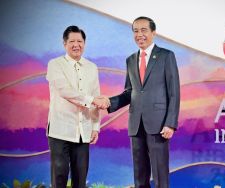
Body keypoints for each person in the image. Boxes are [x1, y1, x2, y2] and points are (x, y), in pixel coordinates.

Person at [107, 16, 180, 188]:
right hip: (135, 124)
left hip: (159, 124)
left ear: (153, 33)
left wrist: (171, 123)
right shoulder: (130, 60)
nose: (139, 34)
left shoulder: (166, 56)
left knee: (160, 174)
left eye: (144, 30)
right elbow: (130, 92)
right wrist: (109, 102)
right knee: (139, 174)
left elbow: (174, 92)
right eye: (135, 31)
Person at [46, 25, 110, 188]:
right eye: (72, 41)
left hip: (84, 131)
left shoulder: (92, 67)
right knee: (59, 176)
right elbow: (65, 91)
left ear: (84, 43)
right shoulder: (55, 64)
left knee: (80, 178)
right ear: (64, 44)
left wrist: (96, 126)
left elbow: (96, 94)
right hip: (60, 130)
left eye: (80, 41)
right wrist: (93, 100)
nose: (76, 45)